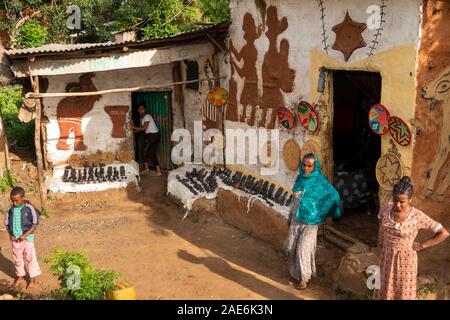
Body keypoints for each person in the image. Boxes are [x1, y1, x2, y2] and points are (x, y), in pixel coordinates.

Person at [373, 176, 449, 300]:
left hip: (406, 262)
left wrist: (421, 245)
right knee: (384, 288)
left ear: (410, 200)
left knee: (402, 292)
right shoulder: (387, 208)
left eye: (402, 202)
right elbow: (381, 219)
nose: (397, 205)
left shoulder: (416, 216)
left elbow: (443, 233)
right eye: (395, 200)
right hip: (387, 256)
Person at [287, 153, 342, 289]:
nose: (306, 168)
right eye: (304, 165)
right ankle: (296, 273)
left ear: (315, 166)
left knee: (303, 248)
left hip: (311, 222)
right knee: (291, 246)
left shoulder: (320, 181)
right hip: (296, 219)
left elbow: (334, 196)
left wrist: (320, 213)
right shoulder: (300, 180)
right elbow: (295, 201)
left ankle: (304, 278)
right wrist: (290, 217)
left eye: (309, 166)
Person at [4, 187, 41, 289]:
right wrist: (10, 235)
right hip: (15, 240)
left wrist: (25, 235)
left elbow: (35, 223)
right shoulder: (10, 209)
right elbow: (6, 224)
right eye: (12, 201)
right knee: (17, 259)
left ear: (23, 198)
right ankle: (20, 276)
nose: (14, 203)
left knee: (30, 258)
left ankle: (32, 278)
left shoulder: (29, 208)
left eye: (16, 200)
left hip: (27, 239)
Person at [132, 105, 162, 176]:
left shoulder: (147, 116)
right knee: (152, 153)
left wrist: (133, 127)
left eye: (142, 109)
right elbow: (140, 128)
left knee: (144, 151)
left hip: (153, 135)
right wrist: (133, 132)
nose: (140, 110)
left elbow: (143, 128)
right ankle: (158, 171)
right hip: (151, 135)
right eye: (139, 109)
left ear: (145, 110)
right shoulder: (141, 118)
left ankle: (147, 169)